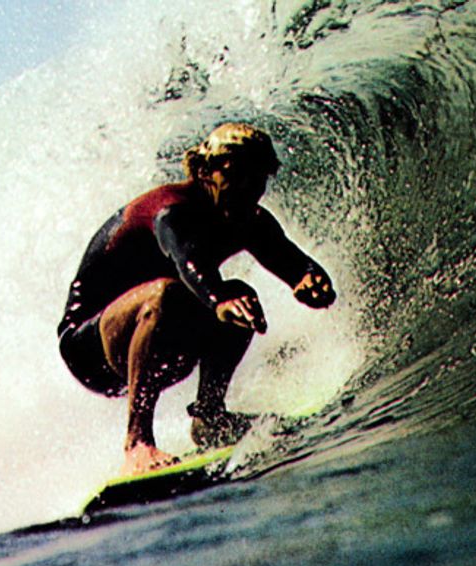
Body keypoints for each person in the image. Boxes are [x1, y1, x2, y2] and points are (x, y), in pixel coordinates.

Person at [57, 123, 335, 476]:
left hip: (150, 347)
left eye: (258, 178)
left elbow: (294, 264)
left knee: (240, 296)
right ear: (205, 172)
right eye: (236, 176)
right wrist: (218, 300)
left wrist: (311, 280)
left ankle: (209, 417)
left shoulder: (245, 217)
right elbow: (186, 261)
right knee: (169, 294)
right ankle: (137, 442)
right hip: (90, 349)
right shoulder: (170, 212)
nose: (249, 188)